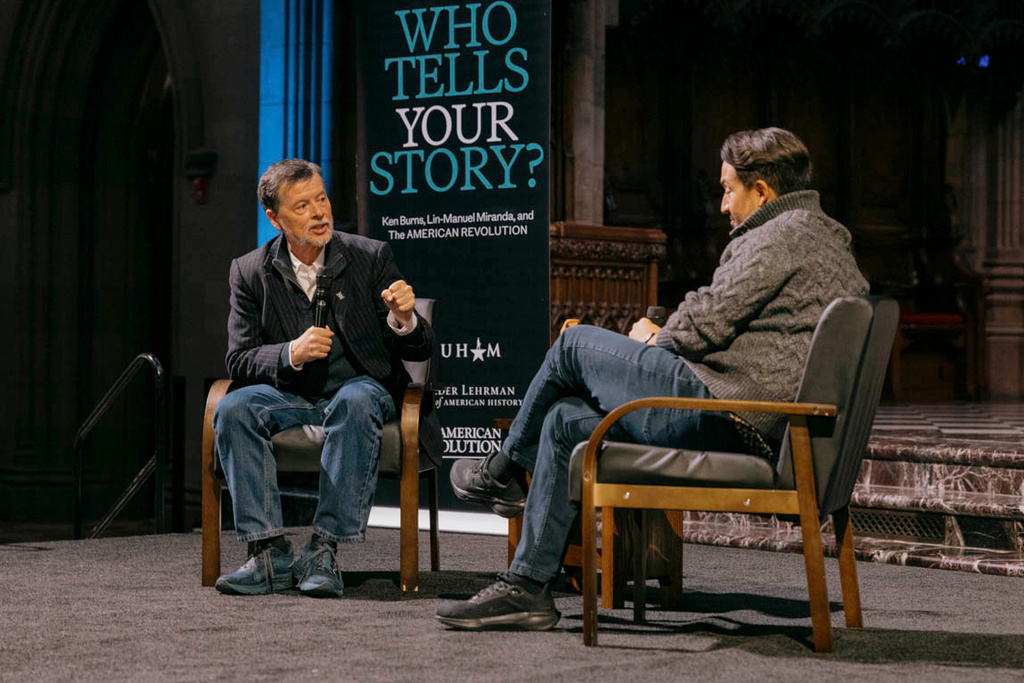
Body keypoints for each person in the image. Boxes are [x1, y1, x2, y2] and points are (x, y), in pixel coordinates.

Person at [437, 127, 870, 629]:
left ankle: (504, 469)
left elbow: (706, 319)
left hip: (722, 416)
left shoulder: (781, 234)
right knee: (562, 419)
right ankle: (528, 588)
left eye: (729, 189)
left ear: (763, 191)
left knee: (573, 345)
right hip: (756, 423)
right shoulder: (829, 238)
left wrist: (653, 336)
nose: (723, 205)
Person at [213, 158, 437, 598]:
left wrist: (405, 319)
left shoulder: (369, 257)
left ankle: (324, 550)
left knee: (355, 401)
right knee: (234, 405)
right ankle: (268, 554)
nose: (319, 213)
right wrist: (290, 353)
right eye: (302, 206)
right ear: (274, 218)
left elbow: (420, 349)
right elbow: (237, 360)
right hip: (292, 395)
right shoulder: (249, 271)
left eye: (322, 199)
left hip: (360, 388)